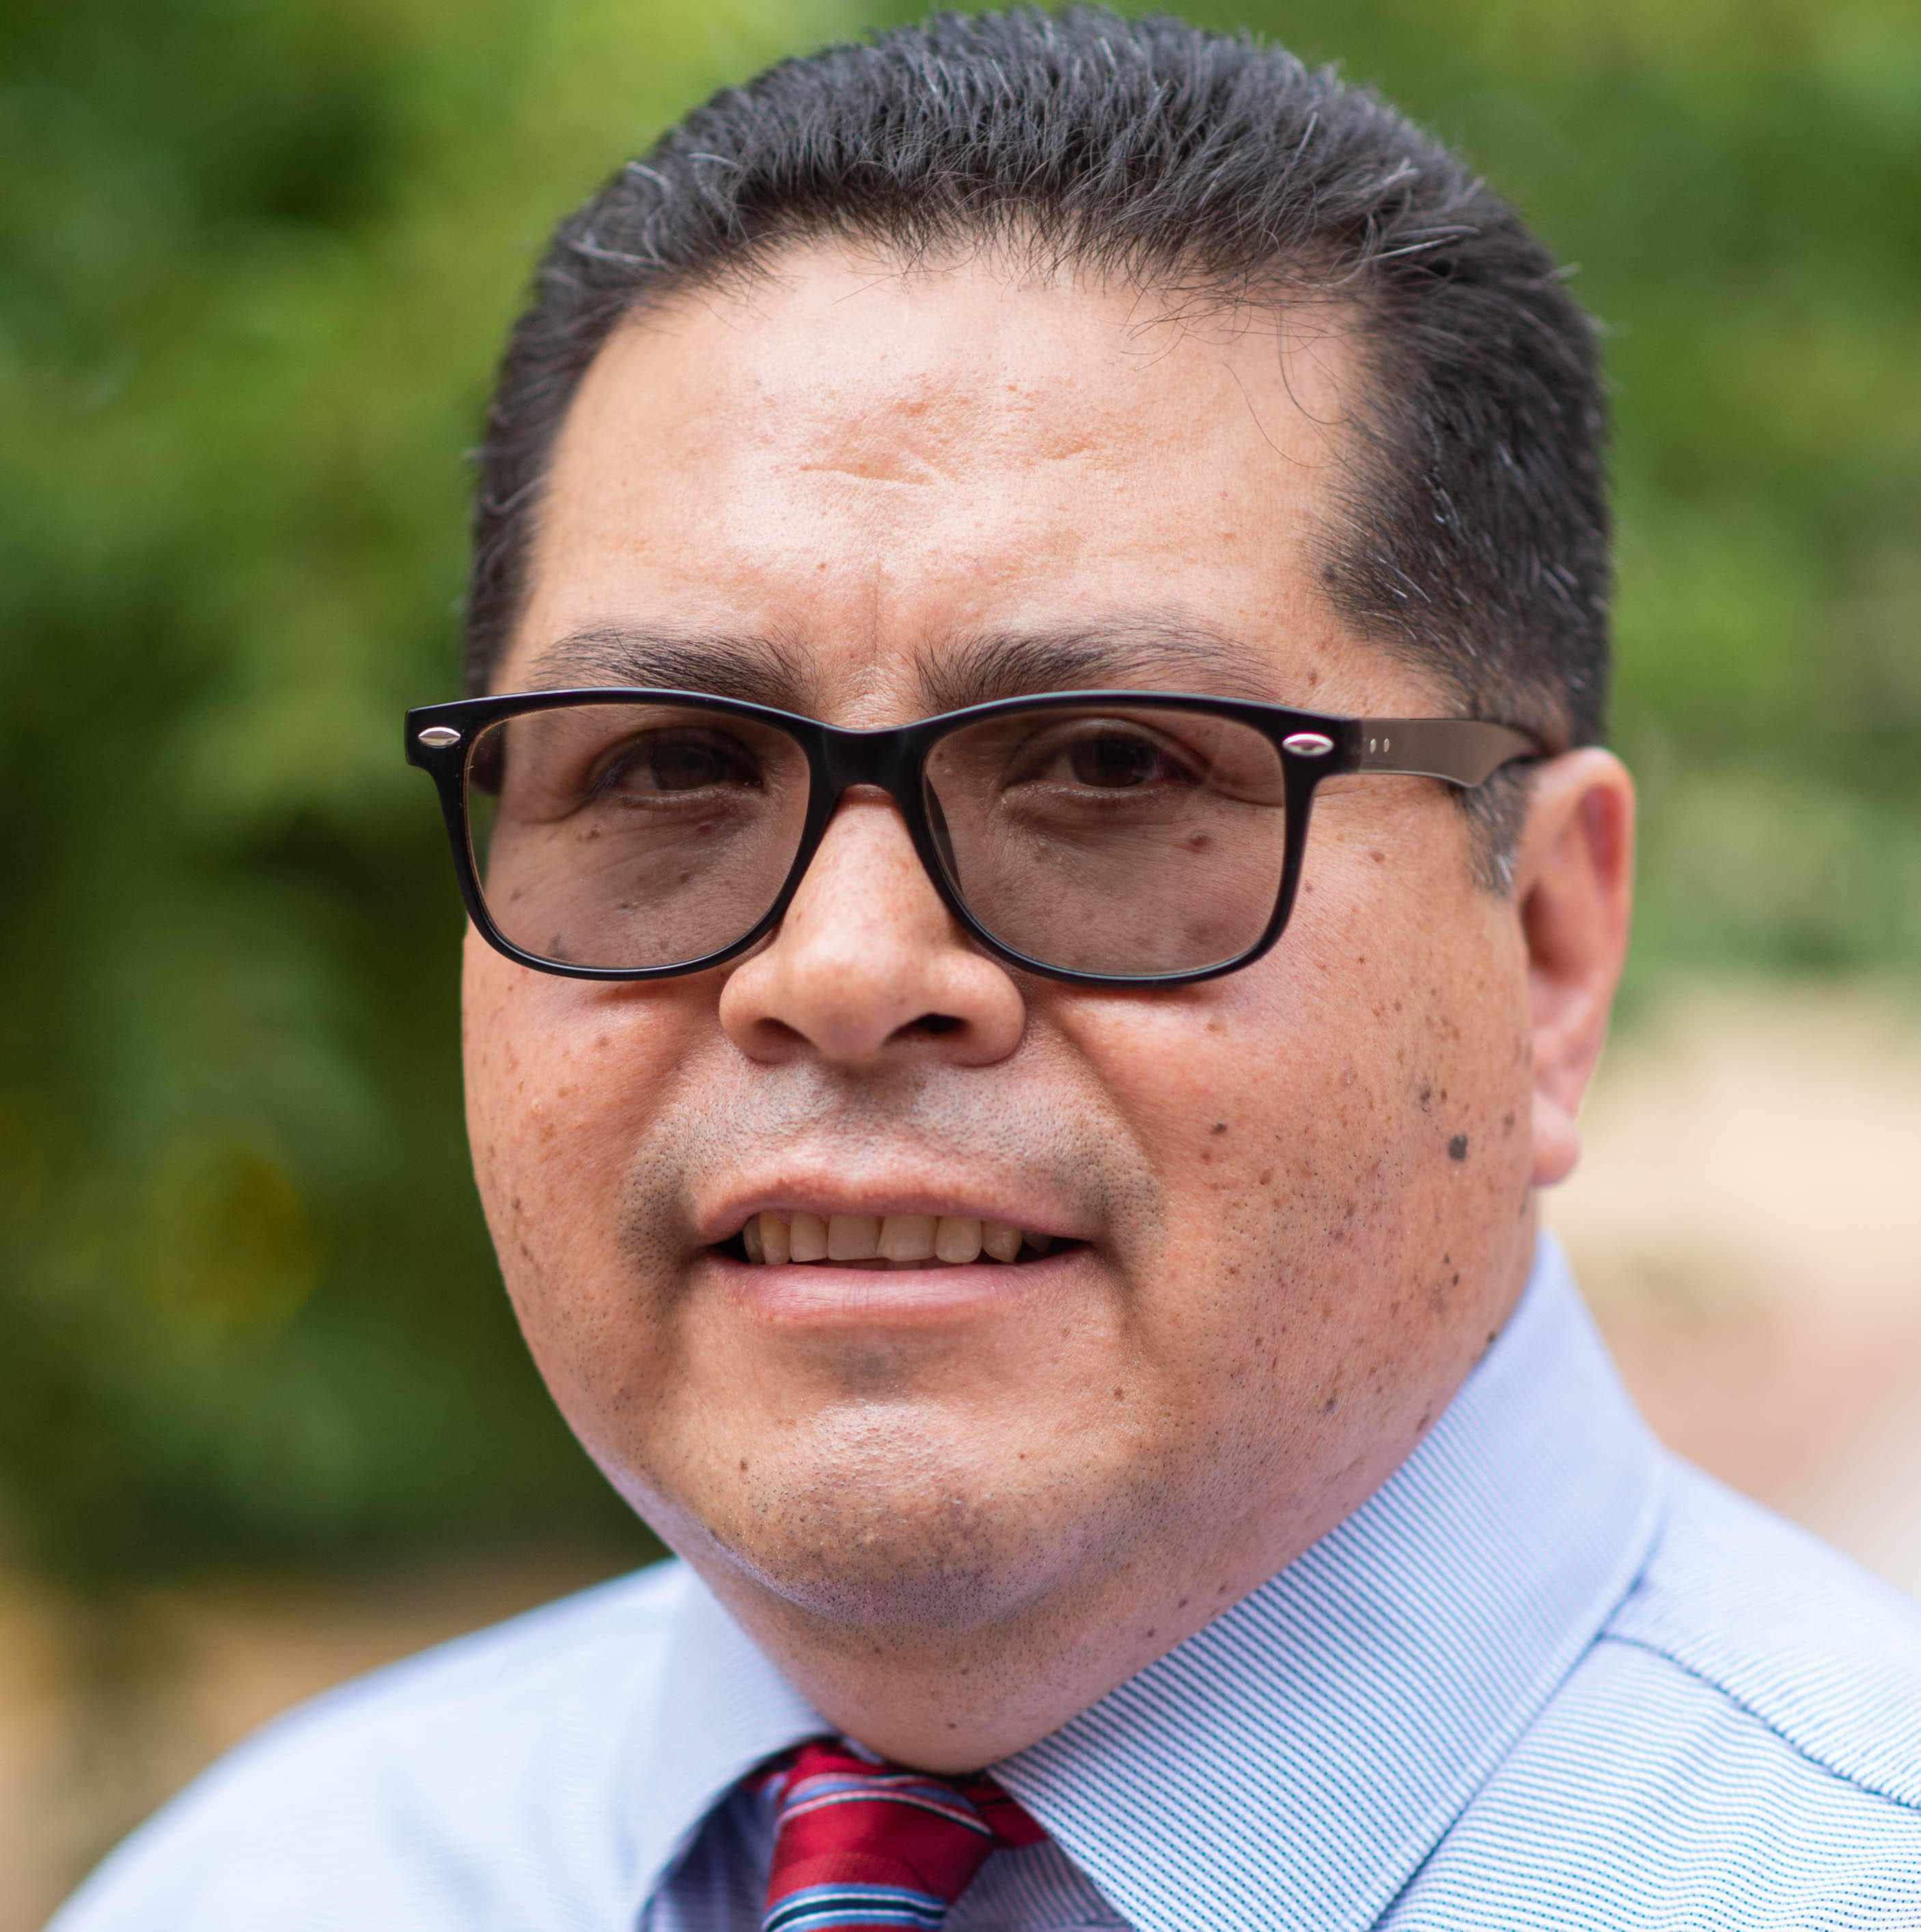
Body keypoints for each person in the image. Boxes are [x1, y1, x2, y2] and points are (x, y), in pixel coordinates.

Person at [53, 10, 1921, 1929]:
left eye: (1113, 766)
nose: (843, 967)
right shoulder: (267, 1882)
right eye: (669, 765)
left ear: (1542, 947)